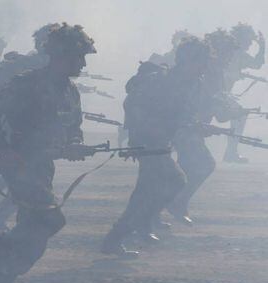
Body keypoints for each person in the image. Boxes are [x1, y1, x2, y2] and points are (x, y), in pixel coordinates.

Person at [0, 23, 95, 283]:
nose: (82, 63)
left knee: (33, 223)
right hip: (21, 165)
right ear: (59, 55)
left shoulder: (71, 91)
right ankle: (3, 251)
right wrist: (4, 151)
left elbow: (73, 126)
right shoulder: (27, 83)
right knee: (50, 219)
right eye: (77, 57)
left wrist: (75, 144)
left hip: (43, 167)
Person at [102, 37, 214, 254]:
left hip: (162, 143)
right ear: (187, 61)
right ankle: (125, 232)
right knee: (175, 180)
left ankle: (120, 236)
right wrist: (138, 137)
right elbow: (134, 106)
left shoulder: (192, 84)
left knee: (145, 191)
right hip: (148, 143)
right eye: (201, 62)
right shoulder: (161, 81)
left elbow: (183, 116)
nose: (204, 67)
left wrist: (195, 127)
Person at [166, 29, 247, 225]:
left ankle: (165, 208)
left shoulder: (213, 72)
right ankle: (175, 204)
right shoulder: (205, 71)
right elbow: (207, 104)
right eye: (227, 53)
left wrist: (232, 112)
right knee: (202, 165)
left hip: (194, 127)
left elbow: (216, 107)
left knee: (183, 170)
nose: (229, 58)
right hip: (184, 127)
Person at [223, 23, 265, 163]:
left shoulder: (239, 54)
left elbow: (256, 64)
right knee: (239, 115)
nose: (249, 44)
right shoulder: (227, 52)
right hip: (215, 94)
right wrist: (232, 75)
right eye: (248, 40)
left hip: (223, 94)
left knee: (239, 115)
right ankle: (231, 153)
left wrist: (262, 46)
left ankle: (231, 152)